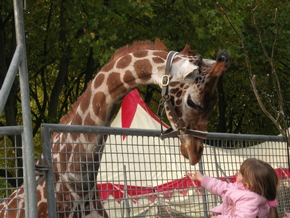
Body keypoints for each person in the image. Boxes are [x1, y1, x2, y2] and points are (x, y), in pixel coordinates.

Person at [187, 158, 279, 218]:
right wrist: (201, 178)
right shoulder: (241, 188)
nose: (236, 173)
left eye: (239, 173)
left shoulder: (249, 199)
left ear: (247, 184)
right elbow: (221, 186)